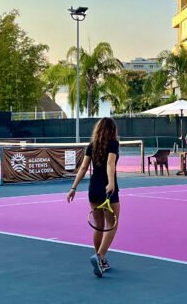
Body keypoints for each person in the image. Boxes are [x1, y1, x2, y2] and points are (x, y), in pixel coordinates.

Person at [67, 117, 120, 278]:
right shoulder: (113, 143)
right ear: (112, 130)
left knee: (98, 225)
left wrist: (73, 188)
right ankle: (100, 256)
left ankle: (100, 261)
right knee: (112, 225)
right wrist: (111, 183)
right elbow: (110, 163)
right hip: (107, 189)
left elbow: (83, 167)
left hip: (93, 190)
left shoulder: (91, 146)